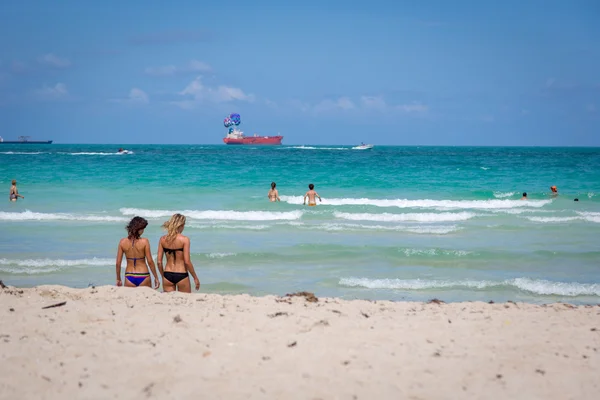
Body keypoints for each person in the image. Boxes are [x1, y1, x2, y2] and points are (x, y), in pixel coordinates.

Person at [157, 213, 200, 293]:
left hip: (167, 274)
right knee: (185, 301)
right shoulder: (184, 239)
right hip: (181, 274)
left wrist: (163, 276)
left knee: (169, 302)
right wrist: (195, 277)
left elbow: (159, 262)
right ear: (181, 225)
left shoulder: (162, 239)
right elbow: (187, 262)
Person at [115, 217, 159, 289]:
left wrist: (118, 278)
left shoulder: (122, 242)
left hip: (129, 276)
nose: (143, 231)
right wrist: (156, 277)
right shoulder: (145, 241)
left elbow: (118, 263)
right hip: (143, 275)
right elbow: (150, 261)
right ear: (138, 229)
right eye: (142, 229)